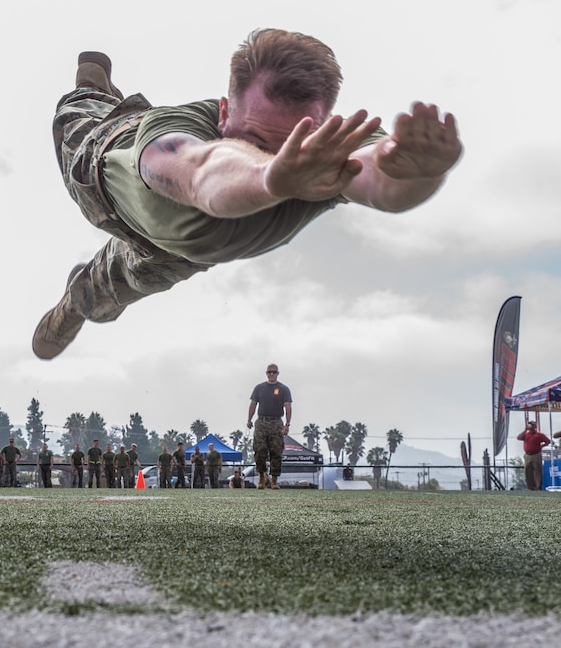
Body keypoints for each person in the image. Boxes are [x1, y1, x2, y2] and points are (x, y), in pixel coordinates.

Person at [32, 30, 462, 360]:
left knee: (104, 296)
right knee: (74, 111)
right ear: (224, 113)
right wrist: (272, 177)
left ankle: (72, 302)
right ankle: (95, 87)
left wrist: (419, 171)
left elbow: (382, 179)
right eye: (256, 138)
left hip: (174, 252)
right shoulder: (174, 137)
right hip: (103, 169)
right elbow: (202, 176)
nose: (277, 154)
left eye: (290, 141)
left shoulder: (323, 152)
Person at [247, 364, 292, 490]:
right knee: (259, 450)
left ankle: (274, 480)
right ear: (266, 373)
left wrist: (287, 424)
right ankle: (261, 476)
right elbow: (253, 404)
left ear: (278, 373)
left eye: (274, 372)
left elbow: (288, 406)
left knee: (276, 451)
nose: (272, 374)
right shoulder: (259, 388)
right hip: (261, 422)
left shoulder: (283, 389)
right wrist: (249, 420)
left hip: (276, 422)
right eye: (269, 372)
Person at [516, 420, 551, 491]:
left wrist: (542, 446)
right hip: (527, 455)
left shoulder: (539, 435)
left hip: (536, 454)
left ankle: (538, 487)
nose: (530, 426)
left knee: (538, 470)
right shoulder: (526, 434)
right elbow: (518, 438)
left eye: (532, 425)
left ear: (535, 426)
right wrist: (525, 430)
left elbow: (548, 441)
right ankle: (531, 487)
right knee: (528, 471)